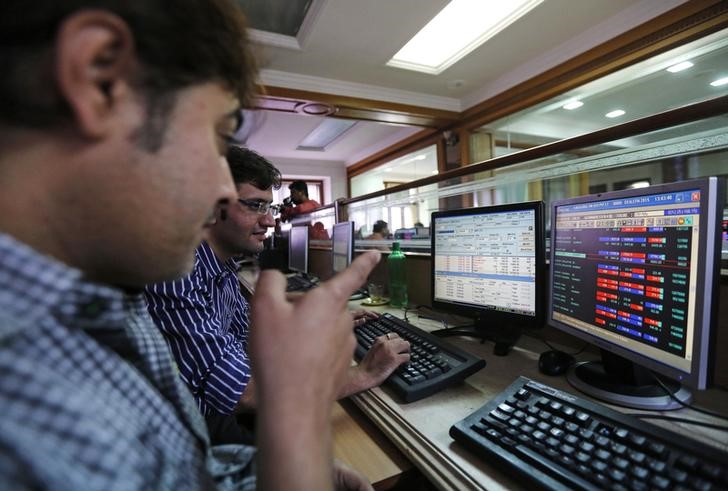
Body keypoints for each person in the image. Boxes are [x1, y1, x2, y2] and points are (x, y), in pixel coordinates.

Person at [0, 1, 380, 489]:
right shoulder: (20, 410)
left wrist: (270, 472)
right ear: (99, 80)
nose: (223, 192)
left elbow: (181, 469)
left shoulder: (113, 295)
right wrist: (300, 420)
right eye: (218, 139)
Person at [145, 146, 410, 444]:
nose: (270, 221)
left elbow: (249, 339)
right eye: (255, 205)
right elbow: (245, 393)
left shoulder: (220, 265)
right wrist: (363, 374)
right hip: (196, 433)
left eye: (268, 208)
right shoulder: (176, 274)